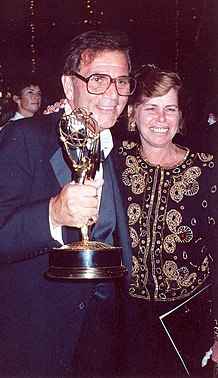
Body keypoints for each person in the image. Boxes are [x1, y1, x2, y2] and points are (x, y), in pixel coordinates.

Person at [0, 30, 134, 377]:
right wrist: (51, 214)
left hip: (101, 345)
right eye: (98, 80)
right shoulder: (24, 137)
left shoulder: (117, 153)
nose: (113, 94)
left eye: (123, 81)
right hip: (31, 346)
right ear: (69, 86)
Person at [113, 64, 218, 377]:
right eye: (151, 108)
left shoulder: (207, 170)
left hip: (188, 321)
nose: (161, 119)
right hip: (123, 323)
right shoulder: (113, 160)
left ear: (180, 116)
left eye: (170, 108)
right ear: (132, 113)